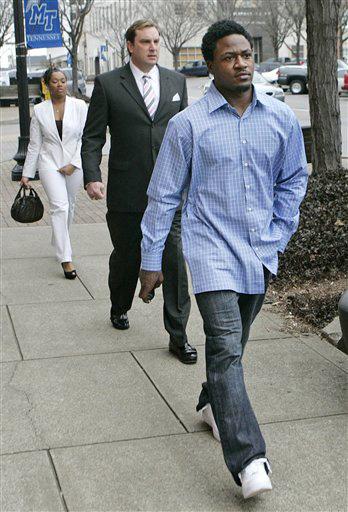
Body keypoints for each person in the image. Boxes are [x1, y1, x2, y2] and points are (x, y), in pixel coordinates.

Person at [139, 20, 308, 499]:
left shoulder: (278, 117)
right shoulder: (188, 125)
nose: (241, 63)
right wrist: (151, 259)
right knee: (226, 344)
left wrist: (279, 232)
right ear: (210, 65)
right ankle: (249, 459)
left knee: (232, 349)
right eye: (230, 57)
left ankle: (211, 404)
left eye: (246, 56)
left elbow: (294, 179)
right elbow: (163, 196)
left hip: (260, 251)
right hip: (211, 250)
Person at [81, 19, 196, 364]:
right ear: (130, 45)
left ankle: (179, 336)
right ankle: (120, 305)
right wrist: (91, 176)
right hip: (128, 190)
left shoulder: (176, 82)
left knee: (174, 262)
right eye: (145, 41)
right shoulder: (107, 84)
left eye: (156, 41)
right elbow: (92, 137)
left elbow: (186, 132)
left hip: (170, 191)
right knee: (127, 257)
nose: (153, 47)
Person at [21, 67, 88, 279]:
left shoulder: (79, 106)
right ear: (47, 85)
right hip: (49, 163)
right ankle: (65, 258)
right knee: (60, 207)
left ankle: (59, 239)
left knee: (69, 205)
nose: (60, 84)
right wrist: (27, 173)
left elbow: (87, 138)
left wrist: (75, 163)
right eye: (55, 81)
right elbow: (34, 144)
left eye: (63, 80)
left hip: (73, 163)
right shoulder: (40, 110)